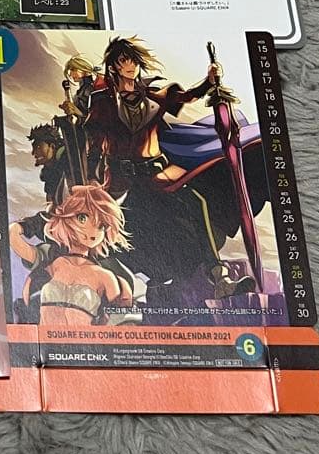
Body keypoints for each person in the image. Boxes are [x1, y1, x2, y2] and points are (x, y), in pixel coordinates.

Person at [81, 36, 266, 302]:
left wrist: (208, 82)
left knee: (197, 202)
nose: (130, 65)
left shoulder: (151, 95)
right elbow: (94, 141)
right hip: (124, 180)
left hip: (158, 174)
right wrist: (92, 178)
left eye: (133, 60)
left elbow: (185, 97)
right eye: (124, 60)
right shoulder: (103, 101)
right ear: (114, 66)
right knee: (114, 230)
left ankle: (220, 277)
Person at [9, 184, 133, 325]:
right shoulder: (51, 263)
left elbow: (117, 324)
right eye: (82, 218)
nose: (93, 232)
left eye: (101, 226)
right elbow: (13, 234)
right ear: (65, 217)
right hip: (46, 336)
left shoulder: (106, 276)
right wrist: (29, 224)